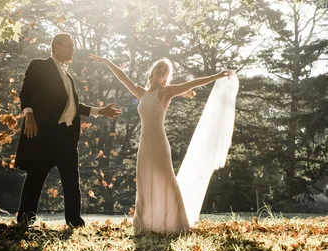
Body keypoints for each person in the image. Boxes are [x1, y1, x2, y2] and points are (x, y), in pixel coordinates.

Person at [90, 54, 236, 233]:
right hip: (144, 143)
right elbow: (123, 77)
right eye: (159, 68)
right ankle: (146, 223)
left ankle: (176, 222)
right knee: (144, 181)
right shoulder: (142, 93)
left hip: (159, 142)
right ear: (152, 71)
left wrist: (215, 76)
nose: (161, 71)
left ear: (167, 76)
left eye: (165, 70)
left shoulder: (165, 92)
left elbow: (191, 84)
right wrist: (108, 62)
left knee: (165, 179)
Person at [15, 33, 121, 227]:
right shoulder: (39, 65)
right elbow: (26, 90)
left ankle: (75, 222)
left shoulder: (69, 77)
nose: (73, 49)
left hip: (67, 137)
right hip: (45, 136)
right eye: (69, 46)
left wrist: (100, 111)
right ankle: (24, 220)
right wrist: (28, 114)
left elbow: (74, 106)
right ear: (57, 46)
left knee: (72, 182)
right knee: (35, 179)